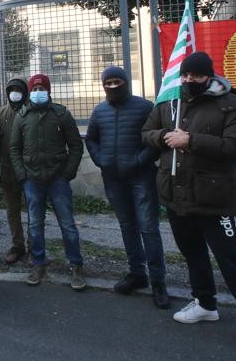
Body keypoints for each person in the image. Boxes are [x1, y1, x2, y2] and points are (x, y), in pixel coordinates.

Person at [141, 52, 236, 358]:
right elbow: (146, 133)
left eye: (196, 77)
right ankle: (205, 303)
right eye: (185, 76)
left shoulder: (229, 104)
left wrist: (192, 140)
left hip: (214, 199)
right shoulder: (169, 103)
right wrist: (164, 136)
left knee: (234, 262)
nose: (189, 81)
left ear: (209, 76)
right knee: (193, 255)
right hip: (176, 196)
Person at [85, 66, 169, 308]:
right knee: (127, 226)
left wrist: (138, 161)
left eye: (117, 82)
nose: (112, 86)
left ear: (125, 82)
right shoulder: (99, 111)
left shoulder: (144, 107)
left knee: (148, 228)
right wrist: (101, 160)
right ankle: (137, 273)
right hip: (113, 179)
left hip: (141, 177)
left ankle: (158, 280)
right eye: (108, 83)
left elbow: (154, 140)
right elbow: (91, 139)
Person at [10, 74, 86, 290]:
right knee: (35, 224)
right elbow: (14, 148)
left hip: (58, 179)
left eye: (42, 88)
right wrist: (22, 176)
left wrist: (67, 173)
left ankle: (76, 265)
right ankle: (38, 263)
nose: (37, 91)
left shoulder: (61, 114)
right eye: (34, 88)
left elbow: (76, 146)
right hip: (32, 180)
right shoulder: (22, 116)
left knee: (68, 224)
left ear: (49, 90)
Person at [0, 78, 30, 265]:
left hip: (30, 171)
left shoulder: (31, 111)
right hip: (7, 171)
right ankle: (18, 245)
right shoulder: (0, 114)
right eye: (11, 90)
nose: (14, 93)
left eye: (18, 90)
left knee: (33, 212)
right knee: (12, 211)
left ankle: (35, 247)